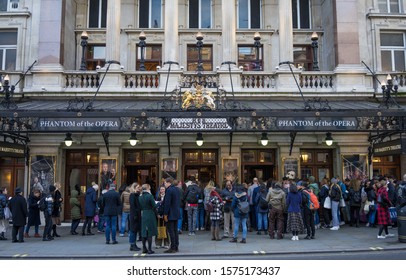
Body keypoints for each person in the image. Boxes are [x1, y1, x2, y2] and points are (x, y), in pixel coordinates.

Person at [163, 177, 181, 253]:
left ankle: (173, 247)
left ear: (168, 182)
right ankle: (176, 246)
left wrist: (165, 214)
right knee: (175, 230)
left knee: (171, 231)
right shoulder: (177, 189)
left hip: (170, 213)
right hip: (176, 212)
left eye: (165, 183)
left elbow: (167, 203)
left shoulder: (169, 190)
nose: (164, 185)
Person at [139, 183, 157, 254]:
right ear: (147, 188)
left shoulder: (140, 196)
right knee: (150, 232)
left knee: (144, 232)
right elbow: (154, 205)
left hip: (143, 214)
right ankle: (149, 249)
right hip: (150, 213)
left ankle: (144, 248)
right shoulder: (150, 196)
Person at [129, 183, 142, 251]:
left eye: (139, 187)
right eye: (137, 187)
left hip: (137, 215)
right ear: (134, 188)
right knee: (133, 230)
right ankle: (132, 244)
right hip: (134, 215)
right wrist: (135, 215)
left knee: (135, 230)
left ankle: (134, 244)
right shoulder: (132, 195)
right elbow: (133, 206)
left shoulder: (137, 195)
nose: (139, 188)